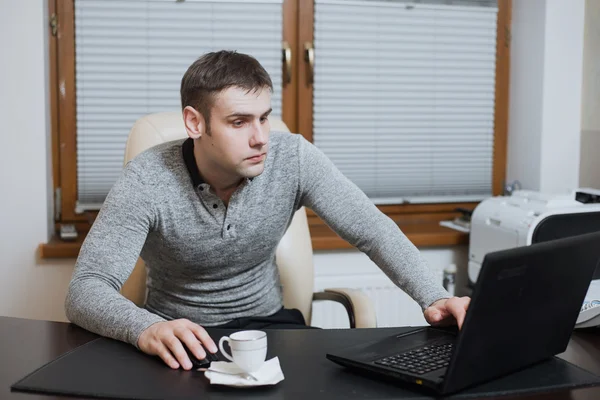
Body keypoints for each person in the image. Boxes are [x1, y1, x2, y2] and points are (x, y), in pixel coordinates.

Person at [65, 50, 470, 371]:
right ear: (195, 122)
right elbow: (87, 288)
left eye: (264, 117)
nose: (261, 138)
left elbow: (373, 231)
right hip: (182, 335)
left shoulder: (292, 157)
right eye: (239, 122)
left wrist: (432, 296)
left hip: (272, 329)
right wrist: (146, 328)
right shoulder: (146, 179)